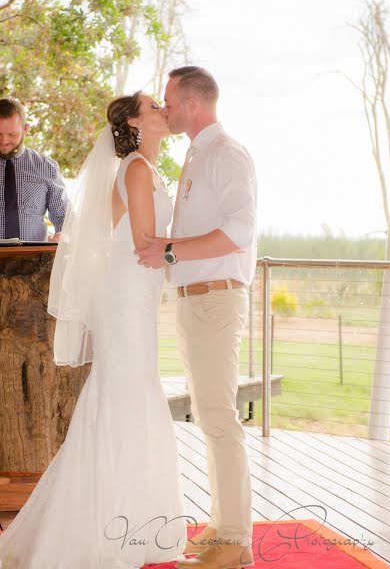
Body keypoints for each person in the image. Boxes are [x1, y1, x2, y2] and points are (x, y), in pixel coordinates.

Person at [0, 93, 188, 568]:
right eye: (153, 106)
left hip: (136, 296)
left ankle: (131, 518)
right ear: (133, 122)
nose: (163, 109)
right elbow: (148, 245)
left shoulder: (143, 166)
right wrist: (198, 252)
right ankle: (107, 522)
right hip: (126, 297)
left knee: (131, 395)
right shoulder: (137, 169)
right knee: (125, 395)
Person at [135, 66, 257, 569]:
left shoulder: (227, 155)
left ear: (192, 104)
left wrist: (167, 248)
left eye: (169, 101)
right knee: (209, 416)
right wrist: (169, 257)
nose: (164, 109)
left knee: (220, 418)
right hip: (194, 300)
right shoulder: (196, 155)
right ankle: (220, 528)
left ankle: (235, 543)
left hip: (215, 299)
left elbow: (239, 232)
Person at [0, 97, 68, 242]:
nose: (4, 141)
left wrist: (62, 235)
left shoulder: (46, 167)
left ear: (26, 129)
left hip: (34, 261)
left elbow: (64, 216)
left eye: (12, 134)